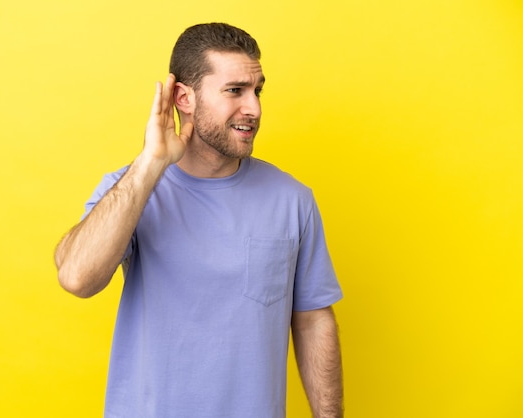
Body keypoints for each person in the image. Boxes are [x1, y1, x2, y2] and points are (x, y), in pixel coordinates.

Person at [54, 22, 343, 418]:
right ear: (183, 98)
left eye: (257, 91)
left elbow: (312, 321)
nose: (254, 108)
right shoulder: (131, 189)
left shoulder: (292, 200)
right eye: (234, 91)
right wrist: (150, 163)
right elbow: (76, 277)